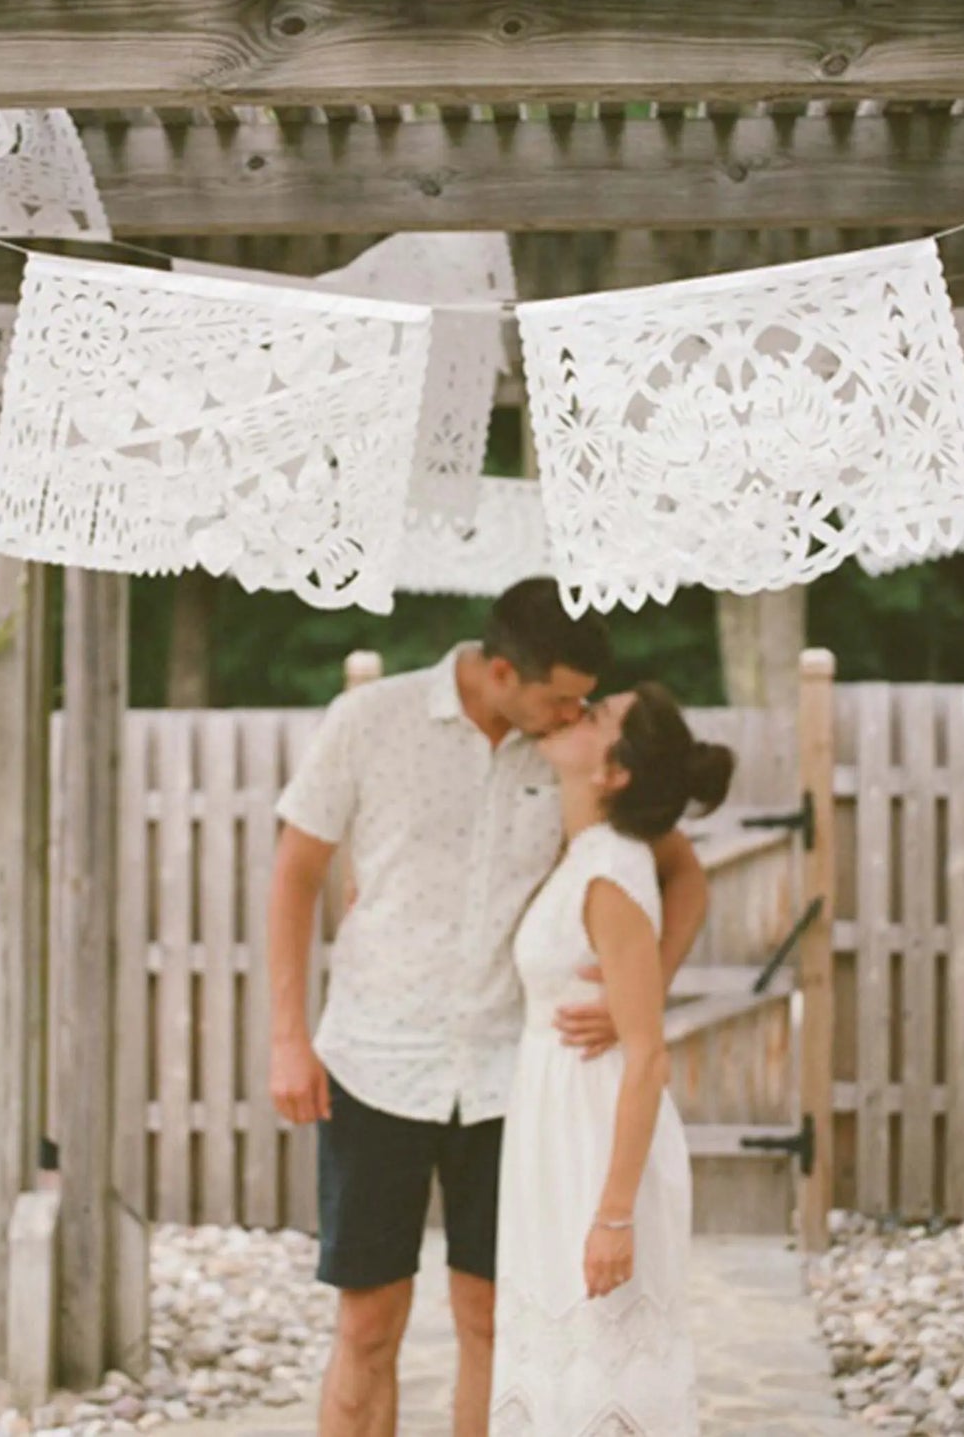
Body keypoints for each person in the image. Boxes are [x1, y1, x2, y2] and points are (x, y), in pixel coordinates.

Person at [266, 578, 710, 1437]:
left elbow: (682, 874)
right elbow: (294, 873)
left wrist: (634, 995)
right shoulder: (371, 721)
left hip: (513, 1079)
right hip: (375, 1058)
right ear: (503, 671)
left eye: (585, 703)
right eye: (563, 698)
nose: (575, 714)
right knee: (365, 1324)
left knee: (490, 1320)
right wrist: (288, 1035)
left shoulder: (574, 758)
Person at [490, 684, 733, 1435]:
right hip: (552, 1123)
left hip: (595, 1134)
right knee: (560, 1361)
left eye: (594, 717)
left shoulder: (612, 873)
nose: (575, 712)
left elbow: (648, 1057)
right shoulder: (587, 854)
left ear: (614, 772)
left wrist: (613, 1217)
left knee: (604, 1363)